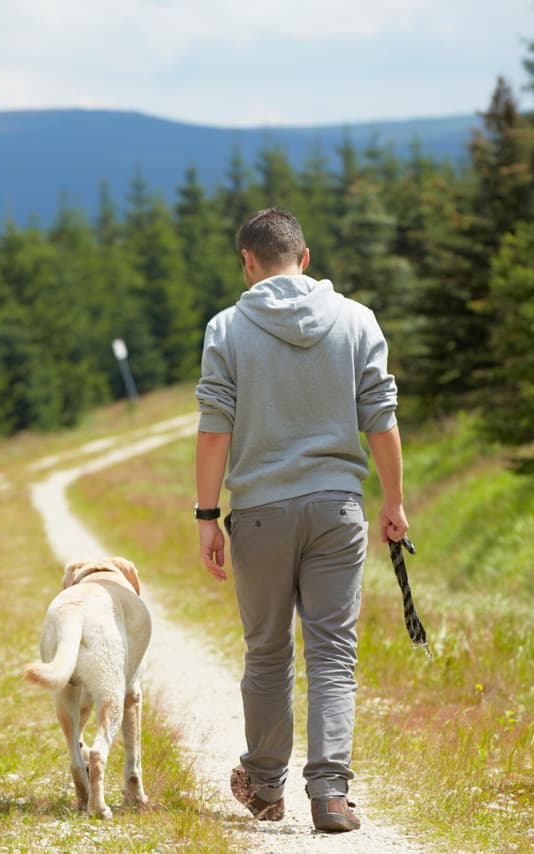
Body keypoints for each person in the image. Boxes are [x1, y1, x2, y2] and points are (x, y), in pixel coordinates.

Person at [194, 207, 408, 834]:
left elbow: (214, 431)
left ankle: (263, 786)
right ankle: (332, 795)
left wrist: (208, 516)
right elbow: (382, 418)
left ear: (249, 263)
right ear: (306, 258)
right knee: (333, 652)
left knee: (266, 652)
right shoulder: (358, 321)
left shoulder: (227, 329)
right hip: (338, 510)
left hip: (259, 514)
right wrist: (393, 502)